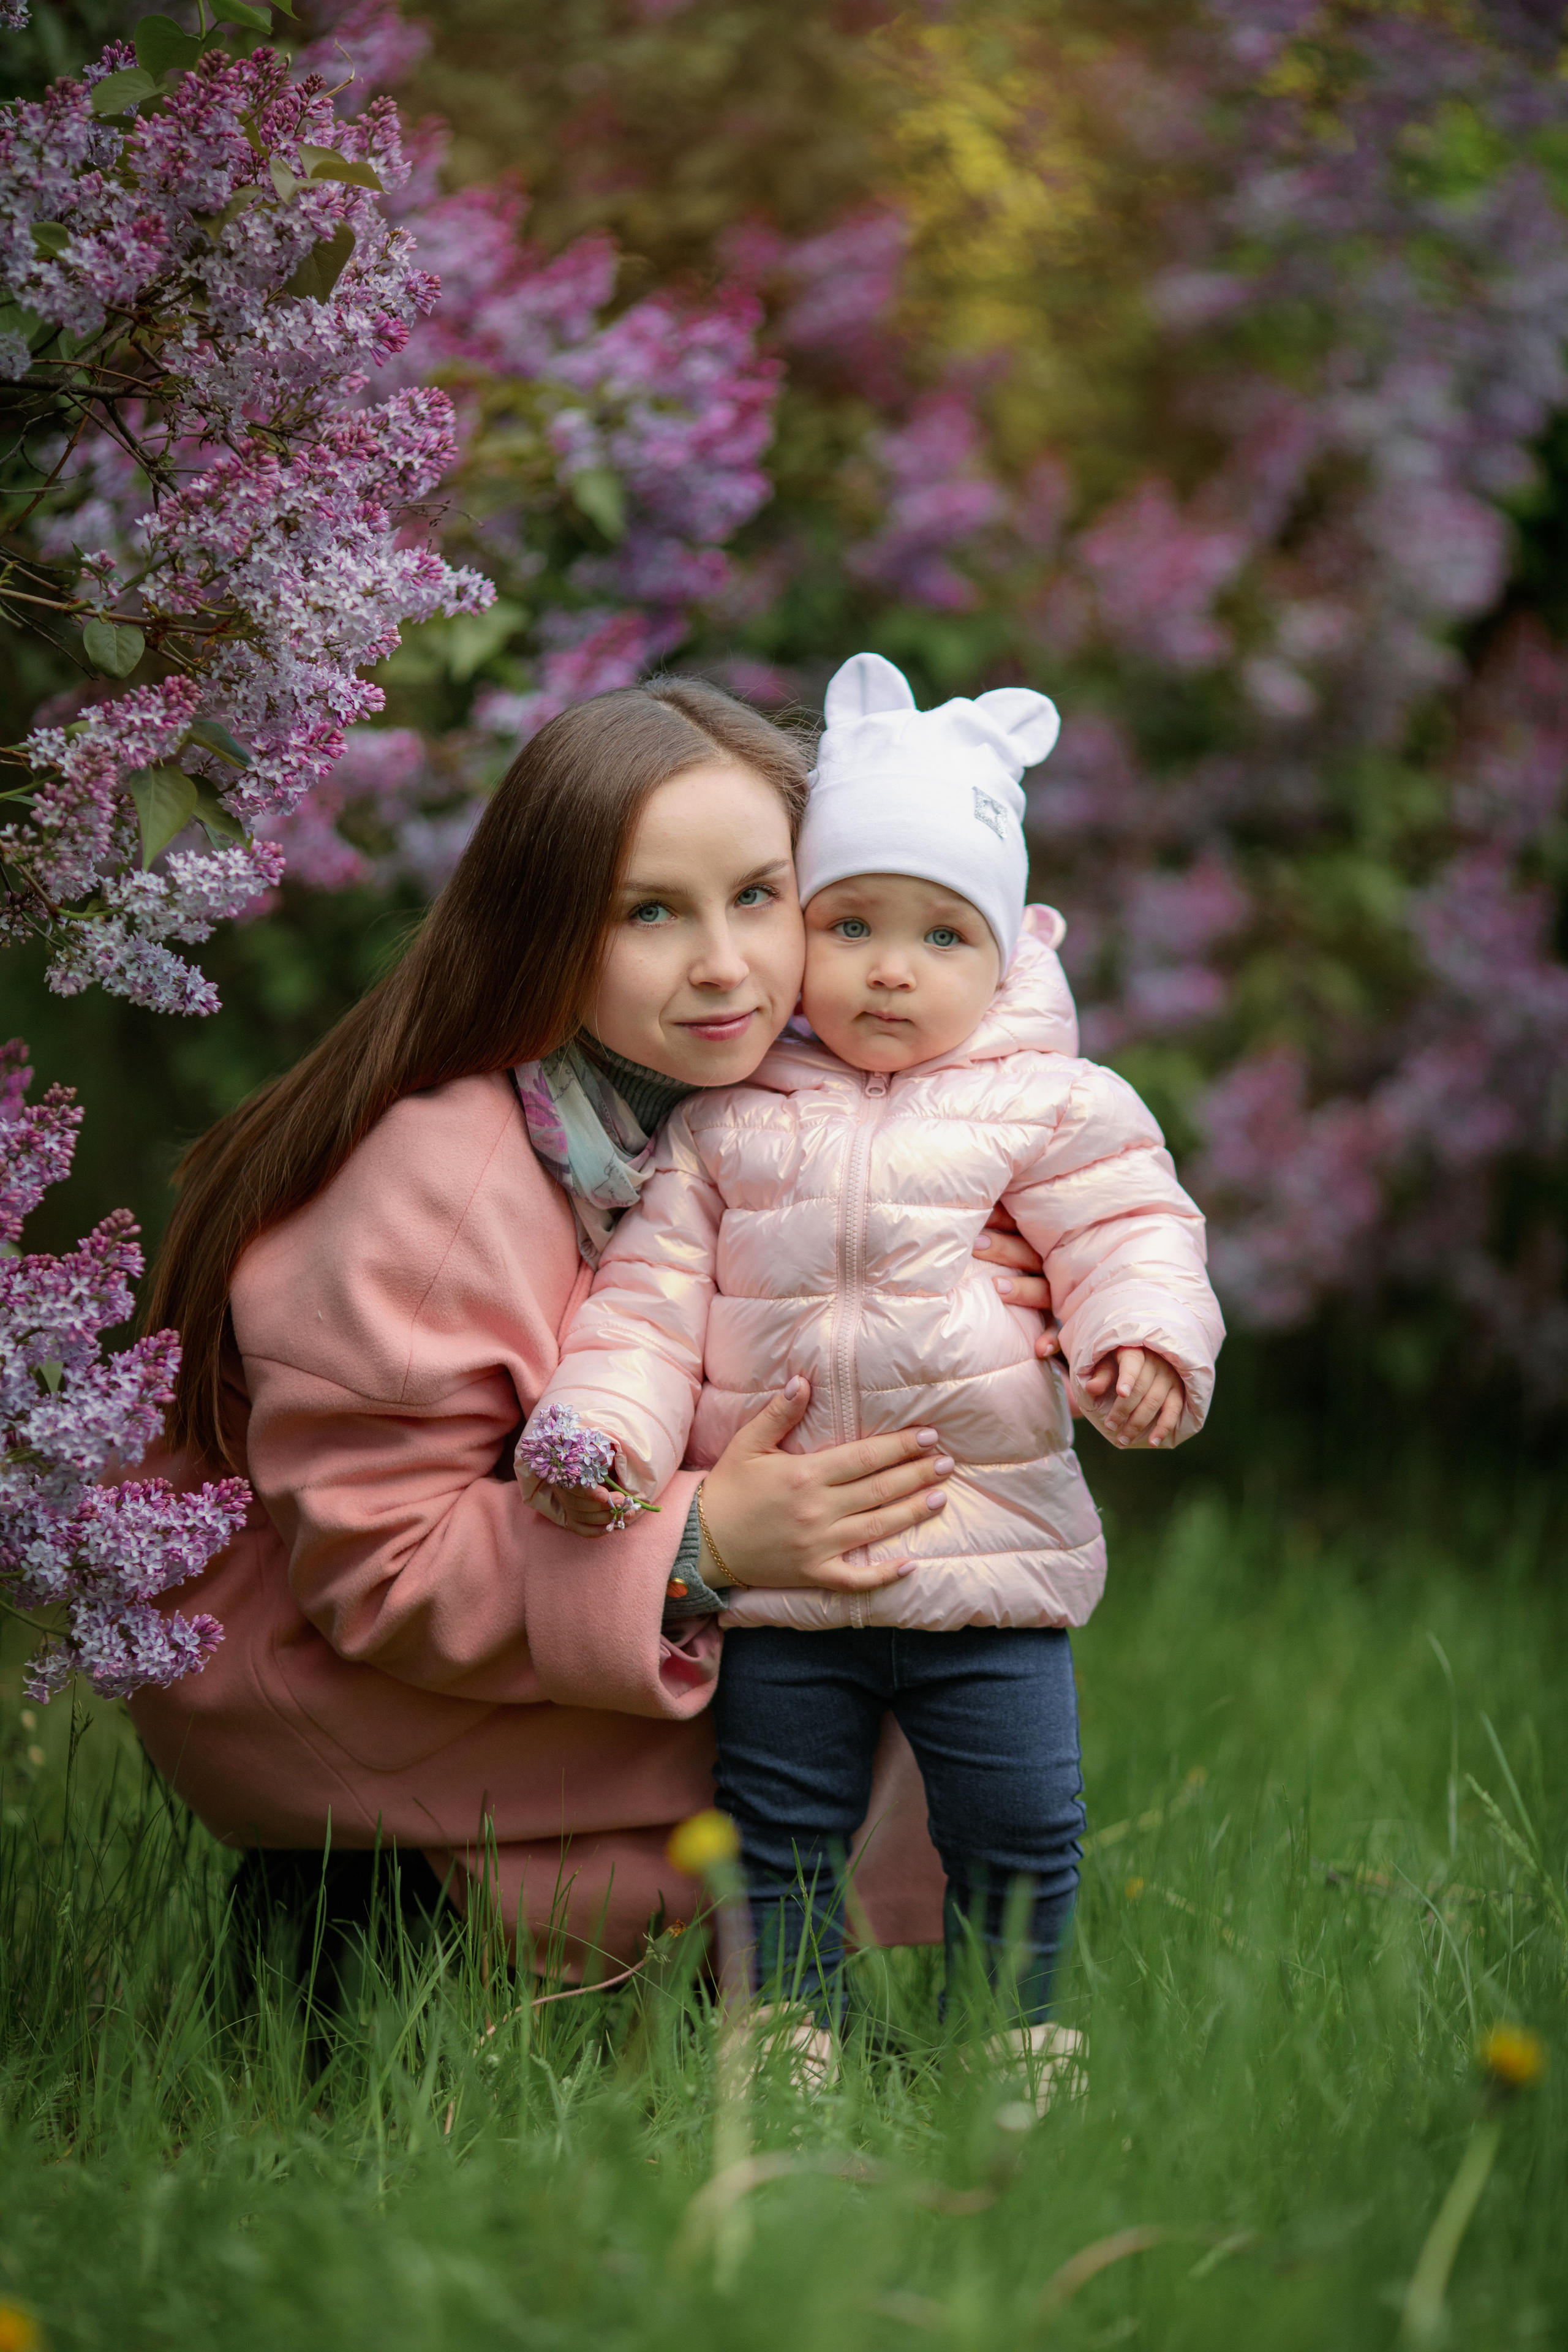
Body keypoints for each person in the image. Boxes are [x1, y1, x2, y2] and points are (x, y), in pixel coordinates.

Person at [129, 676, 1060, 1983]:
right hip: (373, 1739)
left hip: (532, 1670)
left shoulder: (783, 1104)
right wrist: (705, 1540)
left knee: (942, 1606)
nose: (725, 964)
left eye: (757, 894)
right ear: (547, 934)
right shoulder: (438, 1183)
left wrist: (1015, 1308)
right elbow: (381, 1564)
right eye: (648, 913)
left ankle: (837, 1988)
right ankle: (437, 1961)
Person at [522, 653, 1226, 2060]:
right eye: (849, 925)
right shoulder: (727, 1123)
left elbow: (1130, 1233)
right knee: (779, 1828)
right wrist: (602, 1428)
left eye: (940, 936)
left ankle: (1006, 2039)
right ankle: (787, 2035)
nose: (891, 968)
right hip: (787, 1582)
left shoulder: (1051, 1105)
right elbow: (649, 1305)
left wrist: (1137, 1338)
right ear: (802, 932)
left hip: (990, 1565)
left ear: (1009, 949)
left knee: (1019, 1820)